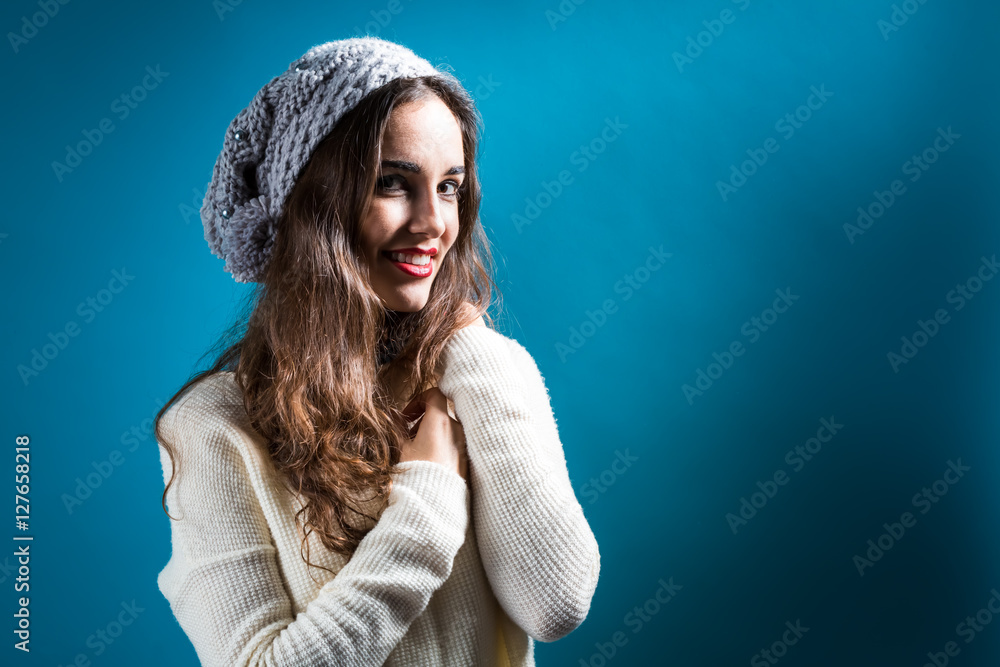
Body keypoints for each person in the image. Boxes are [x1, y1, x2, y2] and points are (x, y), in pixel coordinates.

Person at [153, 36, 600, 666]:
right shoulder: (212, 426)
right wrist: (429, 506)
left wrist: (470, 345)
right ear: (313, 202)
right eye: (394, 183)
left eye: (450, 187)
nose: (434, 222)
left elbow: (555, 602)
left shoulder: (483, 373)